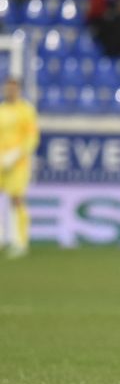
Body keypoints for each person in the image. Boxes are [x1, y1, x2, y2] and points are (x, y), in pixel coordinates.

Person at [0, 78, 39, 258]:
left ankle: (20, 242)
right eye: (8, 88)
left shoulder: (26, 110)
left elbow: (32, 137)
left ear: (19, 90)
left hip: (18, 163)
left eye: (13, 88)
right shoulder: (1, 110)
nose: (10, 91)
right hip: (0, 161)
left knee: (16, 199)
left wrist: (16, 154)